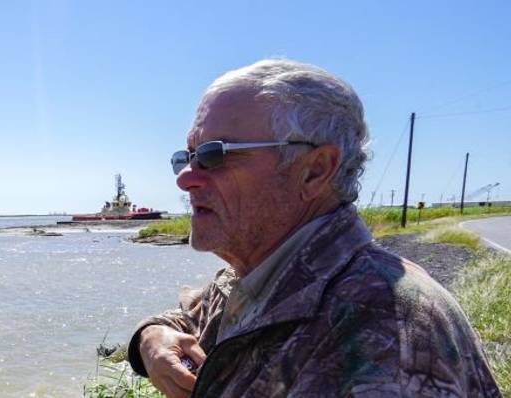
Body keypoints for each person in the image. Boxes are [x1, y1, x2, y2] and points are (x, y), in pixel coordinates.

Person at [127, 59, 501, 397]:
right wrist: (152, 340)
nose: (186, 179)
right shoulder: (255, 275)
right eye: (186, 157)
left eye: (215, 154)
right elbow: (190, 316)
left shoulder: (390, 331)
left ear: (315, 170)